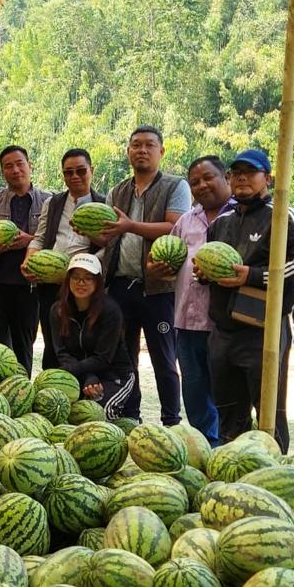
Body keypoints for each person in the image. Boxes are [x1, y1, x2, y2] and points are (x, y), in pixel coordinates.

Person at [201, 149, 294, 451]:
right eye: (236, 173)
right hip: (223, 333)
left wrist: (252, 276)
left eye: (250, 172)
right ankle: (230, 465)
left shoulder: (283, 215)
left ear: (268, 178)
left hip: (263, 333)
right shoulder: (221, 222)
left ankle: (274, 467)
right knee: (228, 414)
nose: (242, 178)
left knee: (269, 416)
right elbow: (208, 262)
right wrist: (204, 273)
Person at [92, 125, 191, 423]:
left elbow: (175, 227)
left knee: (164, 359)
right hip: (121, 287)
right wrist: (89, 230)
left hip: (158, 289)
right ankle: (130, 415)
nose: (142, 150)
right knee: (125, 357)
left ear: (162, 151)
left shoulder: (175, 186)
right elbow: (108, 236)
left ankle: (171, 420)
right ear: (128, 152)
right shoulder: (117, 191)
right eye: (136, 145)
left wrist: (130, 226)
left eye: (149, 145)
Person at [149, 155, 236, 444]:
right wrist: (157, 268)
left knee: (226, 394)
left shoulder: (241, 216)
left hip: (225, 325)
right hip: (186, 322)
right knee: (195, 394)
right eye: (195, 182)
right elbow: (167, 258)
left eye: (208, 177)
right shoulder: (186, 221)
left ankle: (228, 447)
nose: (201, 185)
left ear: (226, 177)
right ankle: (206, 447)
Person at [25, 148, 104, 369]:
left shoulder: (104, 205)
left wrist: (83, 267)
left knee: (81, 342)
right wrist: (29, 260)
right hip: (51, 284)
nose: (74, 177)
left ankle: (82, 384)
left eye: (81, 171)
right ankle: (51, 384)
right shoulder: (52, 203)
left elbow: (110, 246)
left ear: (91, 170)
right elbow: (40, 238)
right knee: (52, 343)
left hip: (84, 285)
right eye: (68, 172)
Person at [0, 145, 51, 375]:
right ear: (2, 172)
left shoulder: (48, 201)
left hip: (29, 287)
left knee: (23, 347)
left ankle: (20, 390)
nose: (15, 170)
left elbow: (53, 242)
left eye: (20, 164)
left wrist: (30, 241)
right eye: (8, 166)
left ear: (30, 165)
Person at [49, 253, 141, 420]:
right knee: (56, 411)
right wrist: (88, 376)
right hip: (80, 375)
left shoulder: (110, 311)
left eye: (88, 278)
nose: (81, 282)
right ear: (68, 280)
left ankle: (130, 416)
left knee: (99, 416)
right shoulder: (58, 310)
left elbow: (103, 358)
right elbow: (62, 353)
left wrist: (86, 375)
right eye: (76, 277)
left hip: (115, 374)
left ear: (98, 282)